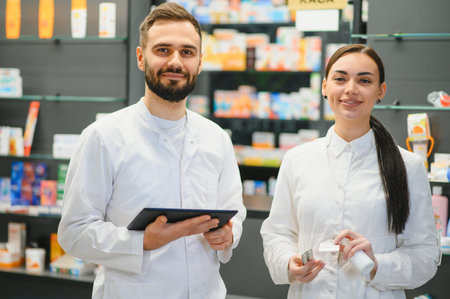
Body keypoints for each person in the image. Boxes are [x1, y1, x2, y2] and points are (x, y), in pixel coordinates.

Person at [57, 3, 246, 298]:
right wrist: (142, 241)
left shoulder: (216, 138)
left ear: (199, 62)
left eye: (187, 52)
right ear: (141, 57)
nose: (175, 62)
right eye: (163, 50)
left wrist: (229, 234)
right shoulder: (104, 137)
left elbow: (235, 210)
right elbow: (74, 233)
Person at [260, 44, 440, 298]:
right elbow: (278, 232)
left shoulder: (408, 166)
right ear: (324, 87)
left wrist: (378, 264)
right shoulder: (297, 160)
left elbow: (425, 257)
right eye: (340, 78)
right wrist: (288, 263)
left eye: (364, 80)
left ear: (381, 91)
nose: (351, 89)